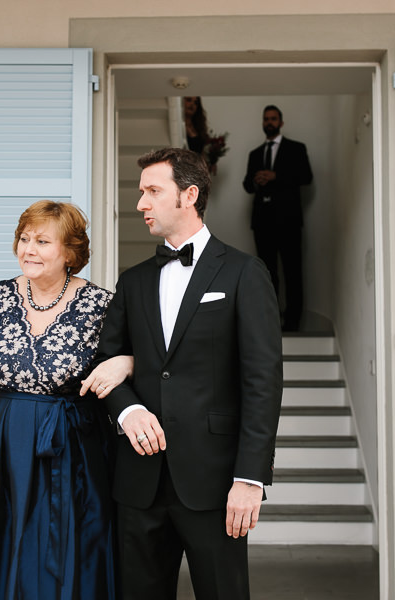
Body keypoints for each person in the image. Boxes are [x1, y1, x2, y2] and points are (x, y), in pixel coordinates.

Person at [94, 147, 283, 599]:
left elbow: (263, 382)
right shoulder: (133, 280)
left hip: (215, 483)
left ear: (189, 195)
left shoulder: (244, 273)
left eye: (153, 192)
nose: (141, 203)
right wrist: (127, 411)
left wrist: (249, 478)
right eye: (141, 193)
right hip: (138, 485)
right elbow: (105, 363)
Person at [0, 200, 132, 600]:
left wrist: (128, 361)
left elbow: (135, 355)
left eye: (43, 241)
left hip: (71, 455)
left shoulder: (100, 305)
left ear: (70, 252)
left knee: (62, 563)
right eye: (24, 239)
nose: (29, 249)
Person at [242, 104, 313, 331]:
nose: (269, 122)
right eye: (266, 119)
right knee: (267, 274)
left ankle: (293, 322)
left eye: (273, 119)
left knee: (293, 271)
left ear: (281, 122)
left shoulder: (296, 149)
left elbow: (306, 177)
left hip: (289, 220)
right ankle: (270, 321)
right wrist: (256, 180)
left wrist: (276, 176)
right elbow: (247, 186)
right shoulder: (255, 154)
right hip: (262, 222)